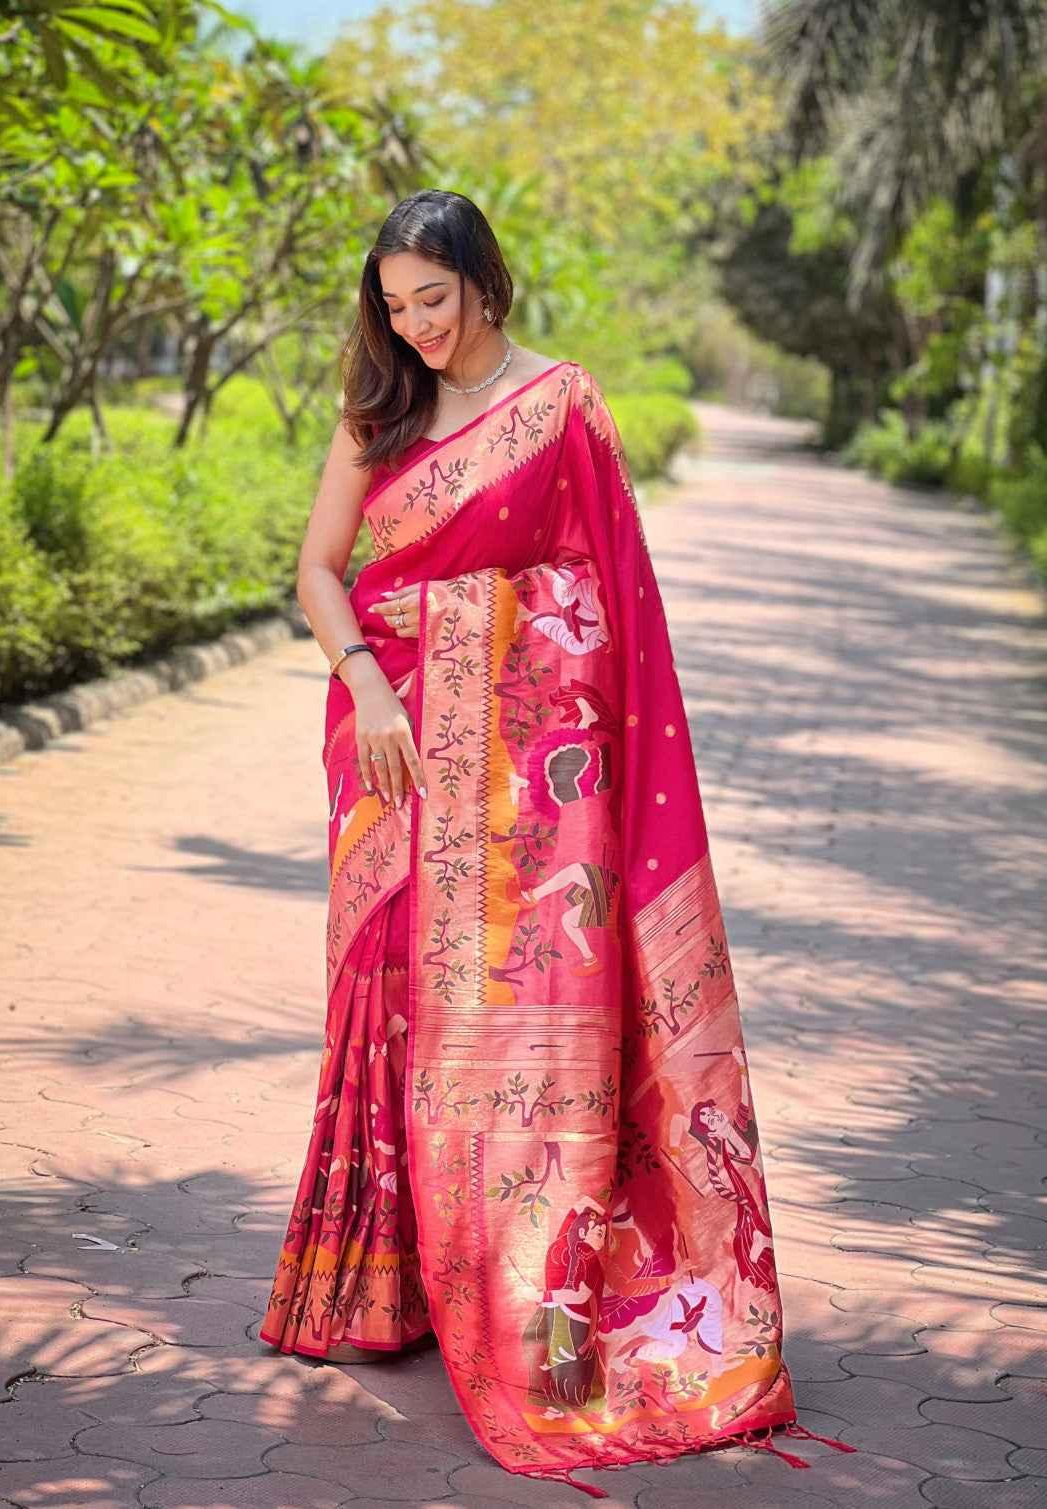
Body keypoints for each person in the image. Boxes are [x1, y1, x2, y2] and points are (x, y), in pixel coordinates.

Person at [258, 189, 851, 1496]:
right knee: (394, 993)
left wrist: (491, 647)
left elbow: (601, 591)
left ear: (485, 284)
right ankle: (379, 1280)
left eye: (434, 298)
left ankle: (527, 1281)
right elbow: (316, 566)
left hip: (533, 774)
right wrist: (366, 681)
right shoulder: (378, 404)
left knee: (517, 1020)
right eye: (394, 302)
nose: (414, 326)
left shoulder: (563, 404)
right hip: (393, 734)